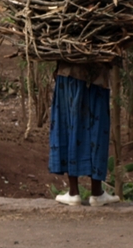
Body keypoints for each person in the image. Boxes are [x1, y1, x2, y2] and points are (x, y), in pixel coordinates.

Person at [49, 61, 120, 207]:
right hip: (97, 76)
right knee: (97, 128)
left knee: (70, 125)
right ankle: (97, 192)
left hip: (69, 73)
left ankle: (74, 192)